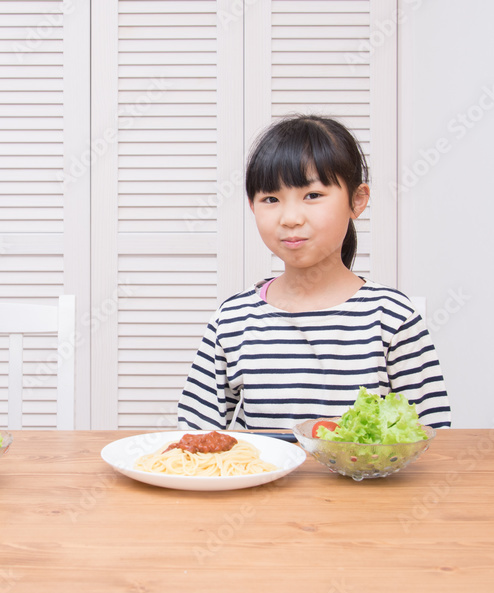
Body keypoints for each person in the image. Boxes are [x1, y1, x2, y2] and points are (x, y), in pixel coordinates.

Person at [177, 115, 451, 431]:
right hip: (264, 481)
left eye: (313, 195)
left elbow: (431, 436)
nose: (290, 217)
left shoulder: (392, 317)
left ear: (357, 200)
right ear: (253, 206)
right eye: (270, 199)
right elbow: (196, 433)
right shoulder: (233, 319)